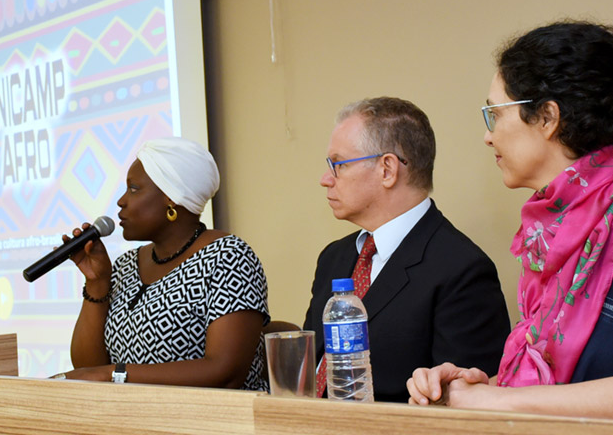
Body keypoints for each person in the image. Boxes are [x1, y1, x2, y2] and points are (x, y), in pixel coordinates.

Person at [407, 21, 613, 420]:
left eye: (494, 114)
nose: (488, 136)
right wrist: (478, 387)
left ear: (547, 118)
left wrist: (499, 401)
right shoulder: (551, 230)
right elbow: (564, 390)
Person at [304, 97, 510, 402]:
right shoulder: (334, 257)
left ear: (387, 169)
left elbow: (467, 405)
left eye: (338, 165)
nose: (325, 180)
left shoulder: (462, 269)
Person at [61, 137, 269, 390]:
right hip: (133, 421)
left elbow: (225, 372)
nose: (121, 201)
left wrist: (114, 374)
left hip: (215, 422)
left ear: (171, 198)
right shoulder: (126, 265)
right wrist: (97, 284)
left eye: (134, 188)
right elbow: (88, 370)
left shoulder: (228, 256)